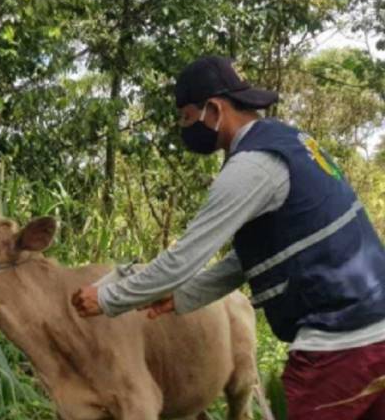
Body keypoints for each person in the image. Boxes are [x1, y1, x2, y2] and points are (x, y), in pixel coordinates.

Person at [71, 56, 385, 419]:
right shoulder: (293, 144)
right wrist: (184, 297)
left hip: (340, 346)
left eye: (187, 117)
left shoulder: (251, 166)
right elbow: (249, 260)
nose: (184, 127)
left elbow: (183, 258)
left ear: (214, 109)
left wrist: (108, 298)